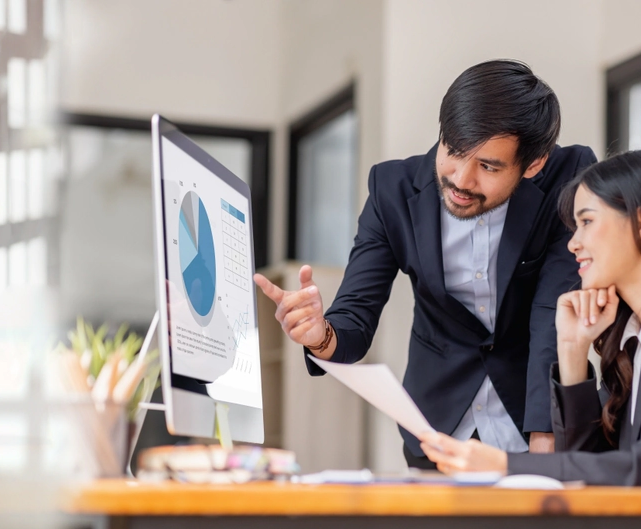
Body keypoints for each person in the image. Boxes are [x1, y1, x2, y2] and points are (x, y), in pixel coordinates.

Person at [255, 59, 597, 468]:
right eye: (452, 151)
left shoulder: (567, 175)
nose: (462, 180)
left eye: (488, 166)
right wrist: (318, 333)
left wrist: (547, 436)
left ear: (534, 164)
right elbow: (354, 320)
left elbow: (553, 312)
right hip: (436, 427)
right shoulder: (392, 191)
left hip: (530, 420)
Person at [418, 150, 641, 487]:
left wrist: (508, 465)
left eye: (586, 222)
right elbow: (590, 470)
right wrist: (573, 352)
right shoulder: (630, 334)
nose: (573, 243)